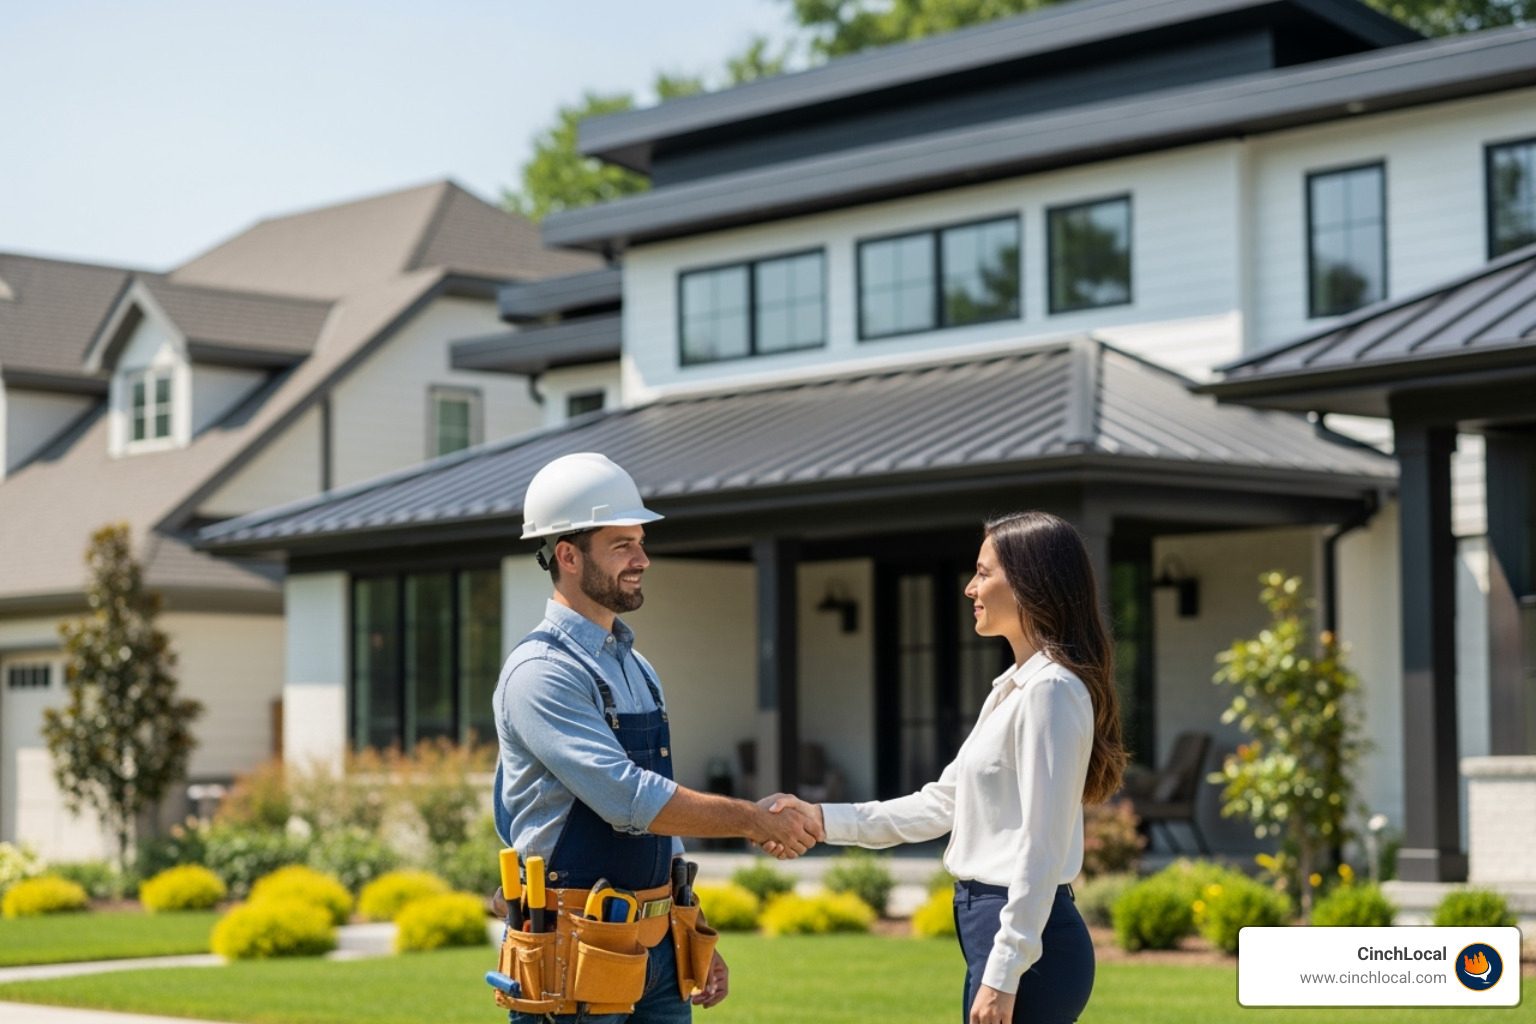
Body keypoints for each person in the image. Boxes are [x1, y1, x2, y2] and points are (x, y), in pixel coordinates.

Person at [493, 452, 823, 1024]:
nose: (642, 559)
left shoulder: (637, 668)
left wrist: (690, 923)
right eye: (622, 544)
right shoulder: (541, 673)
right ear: (568, 556)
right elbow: (630, 799)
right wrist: (751, 818)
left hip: (658, 951)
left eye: (640, 542)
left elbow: (659, 817)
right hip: (573, 954)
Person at [765, 511, 1126, 1024]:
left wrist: (1002, 975)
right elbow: (941, 803)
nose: (969, 588)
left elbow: (1040, 846)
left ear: (1030, 583)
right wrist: (821, 820)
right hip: (998, 940)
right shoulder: (1013, 688)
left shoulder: (1050, 691)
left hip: (1028, 952)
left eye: (983, 572)